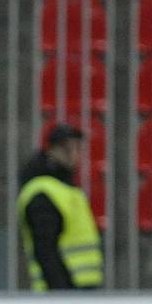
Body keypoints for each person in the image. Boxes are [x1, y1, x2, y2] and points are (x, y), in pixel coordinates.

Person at [17, 124, 104, 291]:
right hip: (63, 291)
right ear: (51, 151)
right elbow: (45, 249)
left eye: (77, 147)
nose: (75, 154)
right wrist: (62, 291)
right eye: (67, 148)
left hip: (78, 289)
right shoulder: (44, 192)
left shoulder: (64, 188)